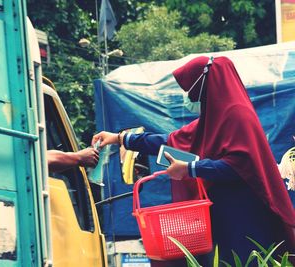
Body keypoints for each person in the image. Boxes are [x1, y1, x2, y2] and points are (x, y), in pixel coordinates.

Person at [92, 56, 295, 265]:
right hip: (224, 216)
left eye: (189, 88)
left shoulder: (237, 115)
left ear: (204, 83)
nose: (188, 96)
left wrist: (191, 168)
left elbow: (239, 166)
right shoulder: (216, 118)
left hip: (245, 217)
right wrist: (121, 138)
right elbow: (172, 142)